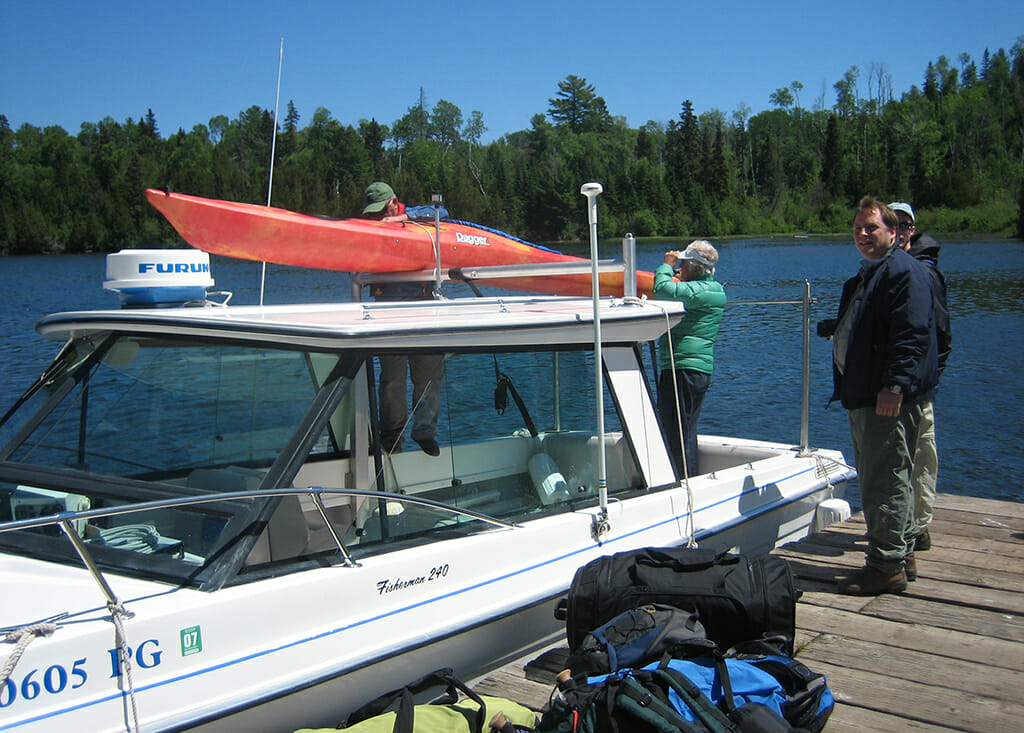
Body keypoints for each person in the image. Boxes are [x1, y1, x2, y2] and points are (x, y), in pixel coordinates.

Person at [819, 196, 939, 595]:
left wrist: (894, 386)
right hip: (867, 393)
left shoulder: (903, 273)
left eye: (871, 228)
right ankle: (900, 553)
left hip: (882, 397)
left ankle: (885, 566)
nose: (863, 235)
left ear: (894, 232)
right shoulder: (874, 273)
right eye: (857, 229)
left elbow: (912, 334)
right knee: (892, 474)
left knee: (883, 478)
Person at [362, 182, 449, 457]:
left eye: (380, 211)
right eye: (372, 213)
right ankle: (392, 438)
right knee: (392, 381)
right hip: (388, 312)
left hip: (422, 307)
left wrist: (402, 218)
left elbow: (442, 212)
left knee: (429, 376)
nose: (377, 217)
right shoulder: (368, 226)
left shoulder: (415, 216)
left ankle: (425, 433)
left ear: (393, 202)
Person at [889, 201, 952, 554]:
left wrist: (927, 377)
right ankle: (903, 527)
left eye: (903, 224)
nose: (897, 230)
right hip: (891, 387)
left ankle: (919, 526)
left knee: (921, 455)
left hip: (918, 387)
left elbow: (941, 332)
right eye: (891, 223)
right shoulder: (884, 268)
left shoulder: (925, 272)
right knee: (896, 460)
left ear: (912, 229)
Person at [653, 240, 726, 478]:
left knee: (675, 431)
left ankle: (681, 482)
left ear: (695, 267)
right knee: (685, 429)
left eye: (683, 264)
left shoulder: (701, 292)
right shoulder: (712, 290)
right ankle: (685, 478)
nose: (679, 267)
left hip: (682, 368)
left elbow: (663, 290)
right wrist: (678, 278)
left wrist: (665, 267)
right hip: (697, 369)